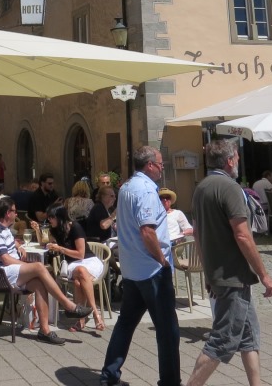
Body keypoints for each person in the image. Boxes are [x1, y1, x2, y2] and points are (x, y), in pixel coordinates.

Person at [185, 138, 272, 386]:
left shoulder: (201, 187)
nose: (238, 161)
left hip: (223, 274)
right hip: (232, 275)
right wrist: (264, 274)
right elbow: (243, 235)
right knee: (222, 341)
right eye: (236, 157)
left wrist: (208, 272)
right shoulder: (230, 187)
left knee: (248, 337)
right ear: (229, 161)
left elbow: (197, 234)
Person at [100, 146, 179, 385]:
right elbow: (147, 231)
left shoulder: (126, 187)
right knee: (167, 330)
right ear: (150, 165)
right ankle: (170, 381)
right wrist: (162, 261)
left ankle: (109, 374)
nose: (162, 168)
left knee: (125, 323)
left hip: (132, 268)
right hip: (151, 270)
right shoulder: (145, 190)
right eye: (160, 163)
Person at [0, 196, 90, 345]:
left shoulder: (4, 229)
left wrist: (18, 246)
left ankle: (44, 331)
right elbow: (6, 259)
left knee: (39, 283)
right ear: (8, 213)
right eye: (14, 211)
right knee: (39, 267)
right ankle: (68, 305)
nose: (16, 214)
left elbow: (9, 244)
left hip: (8, 272)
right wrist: (24, 264)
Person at [43, 203, 106, 332]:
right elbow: (44, 244)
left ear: (60, 217)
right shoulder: (54, 230)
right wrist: (39, 232)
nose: (49, 220)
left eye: (51, 217)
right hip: (73, 264)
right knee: (80, 272)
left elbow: (81, 254)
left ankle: (81, 319)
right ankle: (96, 314)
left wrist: (60, 248)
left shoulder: (75, 227)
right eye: (48, 217)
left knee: (78, 282)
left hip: (89, 260)